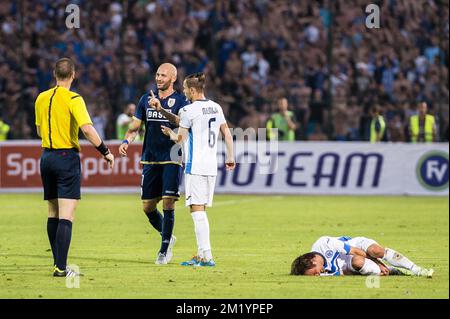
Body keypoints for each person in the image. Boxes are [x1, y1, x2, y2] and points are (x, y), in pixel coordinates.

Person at [34, 57, 114, 277]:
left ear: (54, 73)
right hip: (65, 157)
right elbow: (87, 129)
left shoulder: (41, 98)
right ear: (73, 75)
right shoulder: (74, 98)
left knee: (53, 212)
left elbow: (40, 132)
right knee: (67, 216)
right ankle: (61, 268)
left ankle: (57, 263)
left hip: (46, 157)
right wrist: (105, 151)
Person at [160, 72, 235, 267]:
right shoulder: (216, 107)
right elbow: (227, 133)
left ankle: (207, 256)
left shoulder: (188, 110)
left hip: (195, 166)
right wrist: (230, 156)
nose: (183, 92)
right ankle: (202, 255)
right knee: (199, 208)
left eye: (185, 88)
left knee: (197, 210)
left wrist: (169, 133)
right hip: (211, 166)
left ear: (192, 90)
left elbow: (180, 139)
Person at [119, 63, 189, 264]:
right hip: (150, 157)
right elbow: (134, 127)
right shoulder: (145, 99)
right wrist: (126, 141)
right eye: (157, 74)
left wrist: (162, 109)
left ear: (173, 78)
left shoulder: (181, 100)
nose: (159, 78)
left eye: (163, 75)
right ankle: (168, 235)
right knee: (148, 207)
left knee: (168, 201)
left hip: (172, 157)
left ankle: (164, 249)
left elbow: (182, 124)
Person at [290, 235, 434, 277]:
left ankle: (416, 269)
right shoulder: (321, 272)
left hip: (357, 245)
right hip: (349, 263)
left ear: (312, 261)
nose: (317, 276)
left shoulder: (324, 243)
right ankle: (394, 270)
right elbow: (342, 273)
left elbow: (356, 251)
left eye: (314, 272)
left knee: (376, 251)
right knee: (358, 262)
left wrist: (378, 263)